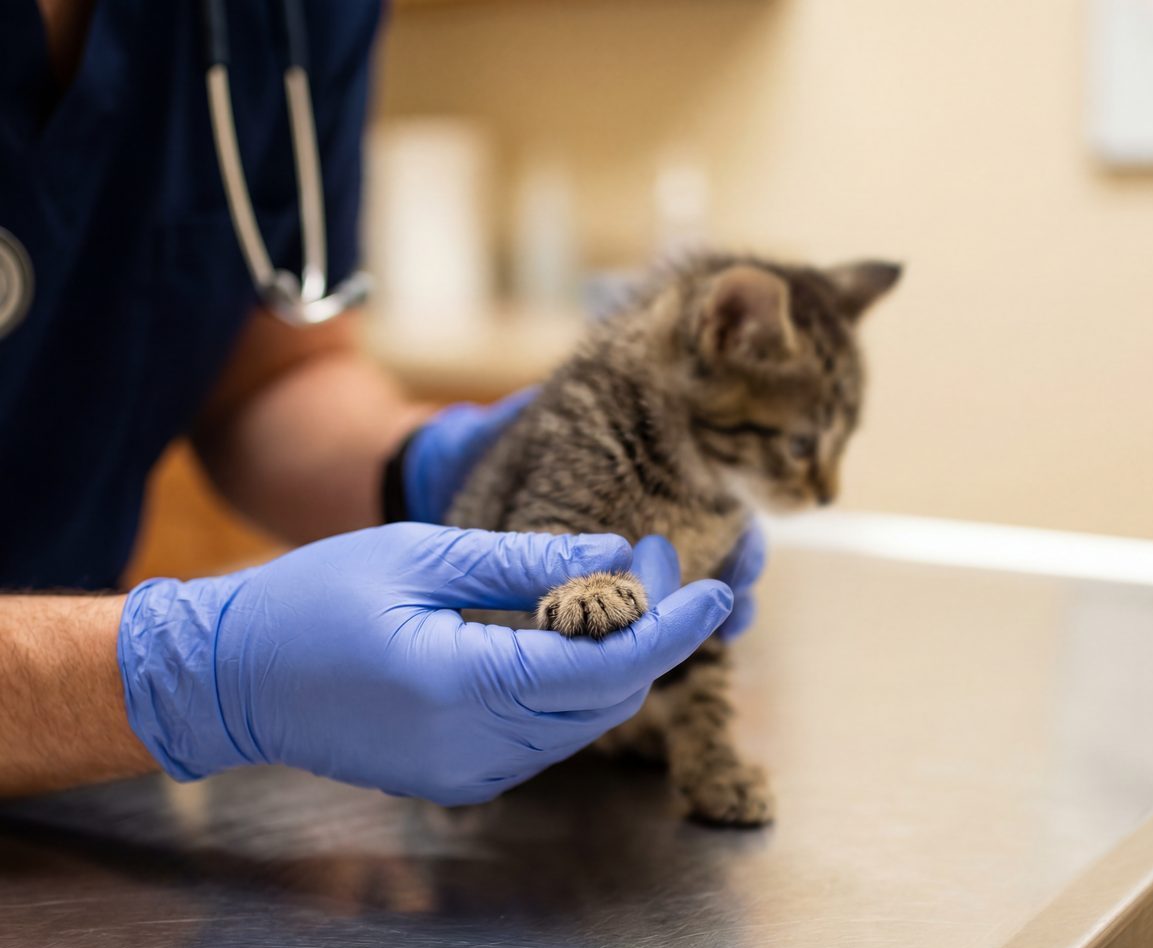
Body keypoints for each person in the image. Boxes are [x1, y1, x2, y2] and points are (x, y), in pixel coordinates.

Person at [0, 1, 761, 803]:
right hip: (82, 719)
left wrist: (435, 470)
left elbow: (269, 374)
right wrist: (179, 679)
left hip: (76, 802)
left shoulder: (296, 15)